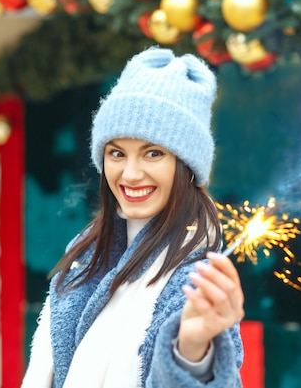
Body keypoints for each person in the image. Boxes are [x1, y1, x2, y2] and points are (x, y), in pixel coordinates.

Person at [21, 46, 245, 388]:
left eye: (152, 153)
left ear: (184, 165)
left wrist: (191, 351)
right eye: (116, 153)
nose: (130, 173)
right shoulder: (85, 256)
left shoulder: (197, 279)